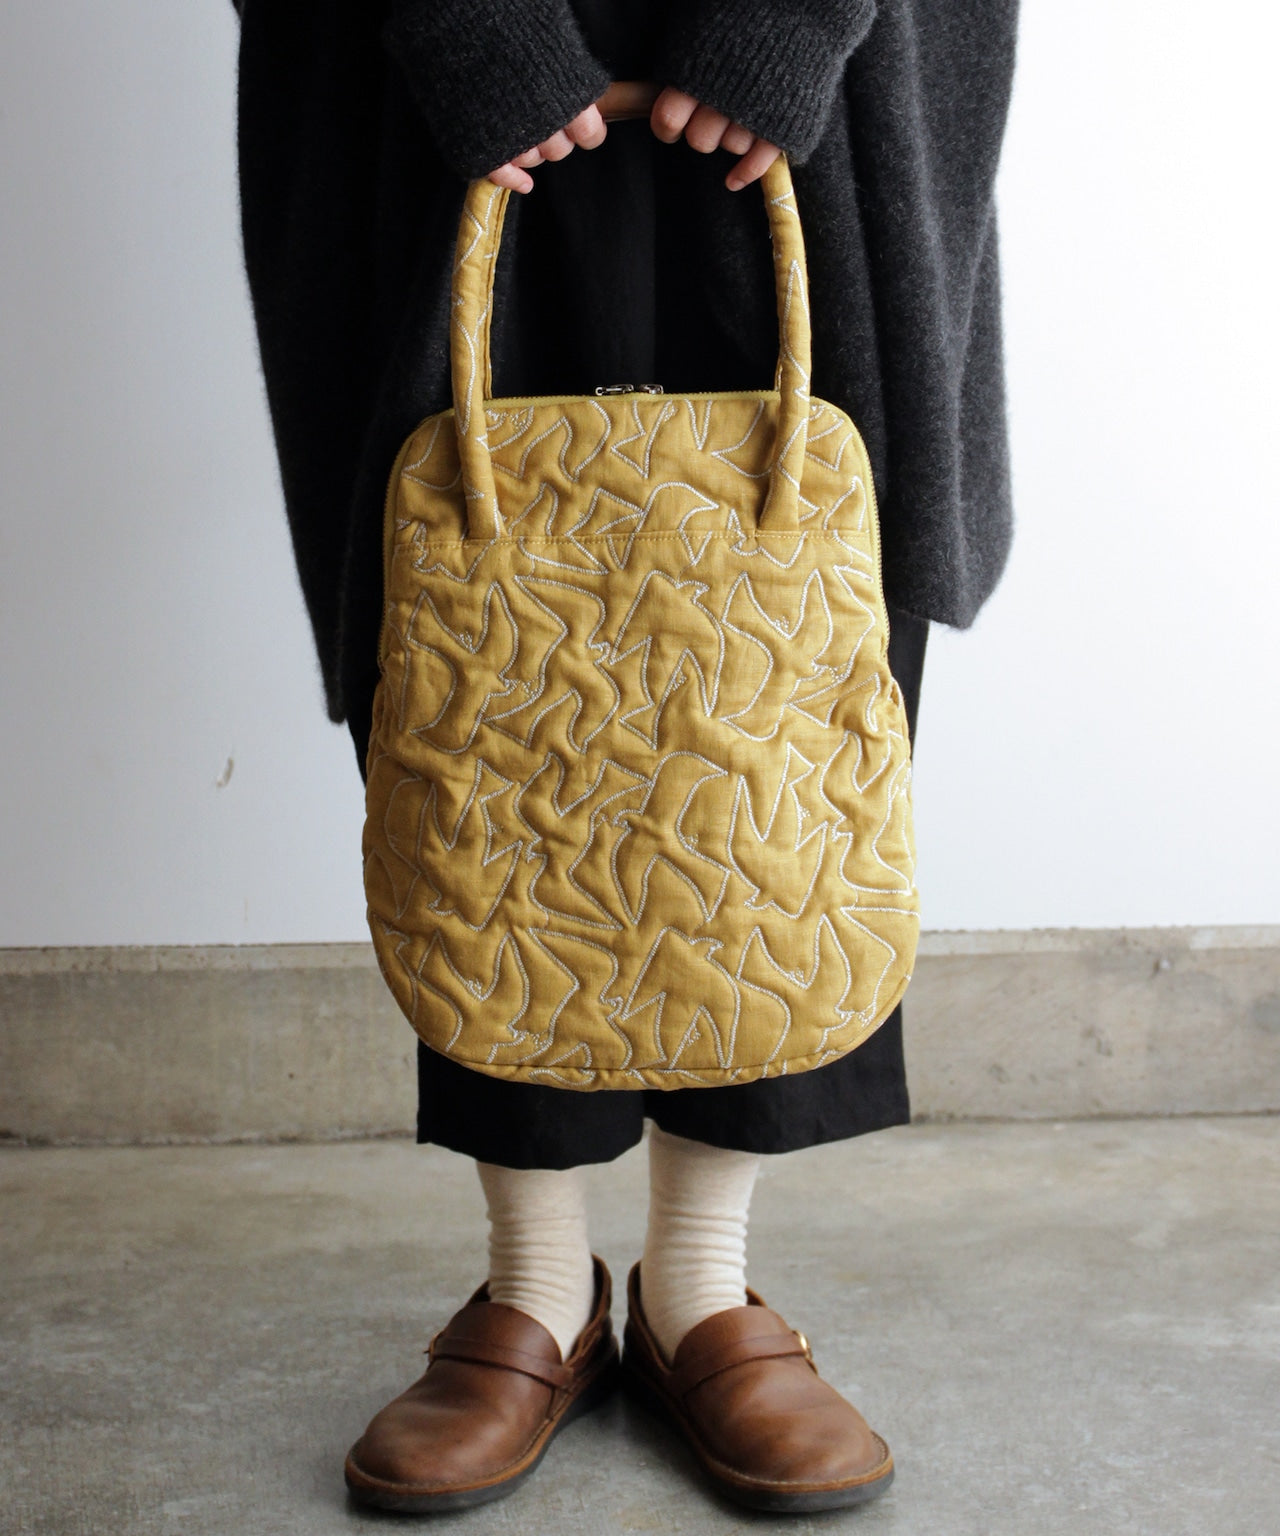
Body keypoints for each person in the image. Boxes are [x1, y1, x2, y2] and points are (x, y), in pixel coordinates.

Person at [233, 0, 1018, 1513]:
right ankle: (535, 1284)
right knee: (475, 660)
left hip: (833, 61)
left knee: (790, 655)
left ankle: (701, 1285)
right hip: (423, 57)